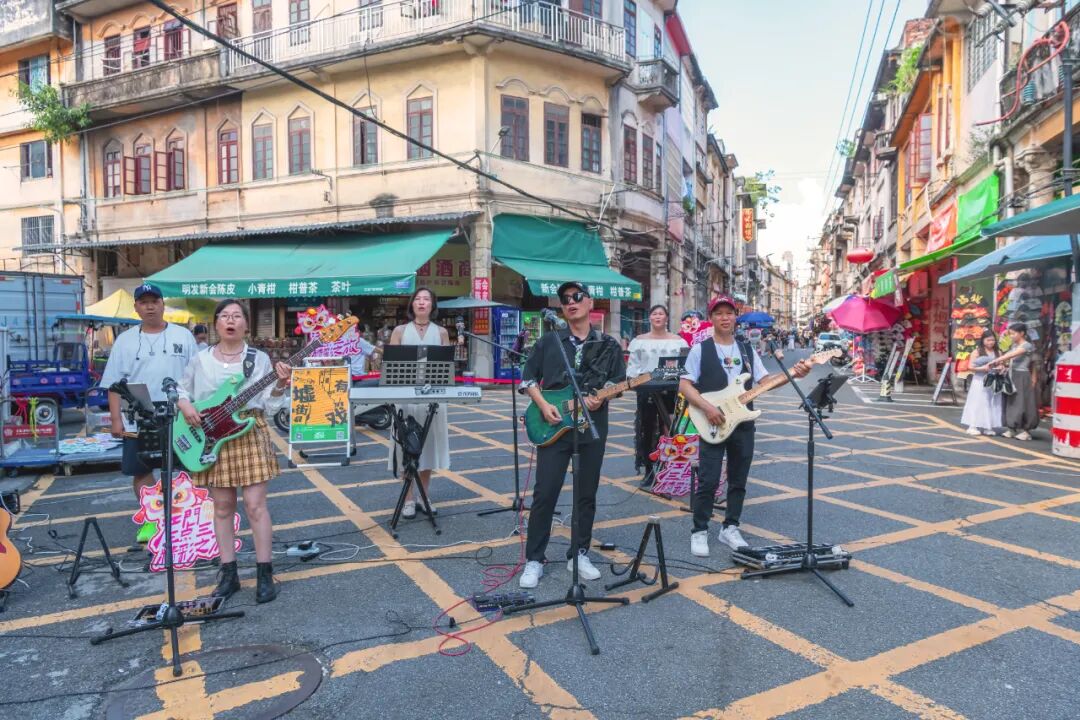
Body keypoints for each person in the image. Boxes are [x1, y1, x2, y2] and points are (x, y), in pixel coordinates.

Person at [176, 300, 291, 604]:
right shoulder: (200, 359)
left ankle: (265, 574)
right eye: (225, 316)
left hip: (249, 431)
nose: (231, 320)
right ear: (216, 323)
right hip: (210, 435)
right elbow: (181, 389)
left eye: (237, 316)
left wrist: (280, 384)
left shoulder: (259, 359)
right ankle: (229, 575)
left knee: (255, 506)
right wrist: (185, 406)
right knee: (223, 507)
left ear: (246, 324)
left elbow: (270, 406)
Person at [678, 295, 810, 557]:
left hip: (742, 423)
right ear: (711, 318)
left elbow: (764, 382)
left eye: (729, 313)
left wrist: (794, 373)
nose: (724, 318)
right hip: (712, 420)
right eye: (719, 313)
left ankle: (730, 527)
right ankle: (700, 530)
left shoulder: (747, 350)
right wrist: (708, 407)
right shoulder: (700, 349)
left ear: (735, 317)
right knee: (708, 480)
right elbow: (684, 385)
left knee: (738, 479)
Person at [518, 282, 626, 589]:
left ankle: (578, 553)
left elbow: (618, 382)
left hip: (591, 427)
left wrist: (602, 397)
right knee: (545, 493)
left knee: (586, 493)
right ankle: (534, 559)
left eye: (577, 297)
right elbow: (528, 379)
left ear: (590, 303)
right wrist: (543, 405)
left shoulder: (608, 345)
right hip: (554, 426)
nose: (571, 302)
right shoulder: (550, 340)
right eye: (565, 299)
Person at [100, 283, 198, 545]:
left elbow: (198, 376)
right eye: (144, 302)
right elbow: (113, 384)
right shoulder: (125, 340)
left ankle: (188, 518)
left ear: (163, 304)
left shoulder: (183, 336)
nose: (150, 307)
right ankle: (152, 519)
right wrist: (116, 420)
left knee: (189, 466)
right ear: (136, 307)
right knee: (141, 469)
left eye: (155, 301)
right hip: (136, 411)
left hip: (179, 411)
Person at [387, 288, 451, 518]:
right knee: (406, 447)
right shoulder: (400, 331)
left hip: (431, 398)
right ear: (412, 304)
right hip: (405, 398)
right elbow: (390, 365)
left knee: (428, 446)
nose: (422, 302)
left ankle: (424, 496)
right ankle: (408, 499)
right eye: (418, 299)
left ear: (432, 305)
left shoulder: (441, 332)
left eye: (426, 299)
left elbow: (446, 367)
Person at [626, 305, 688, 485]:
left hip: (672, 389)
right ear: (650, 318)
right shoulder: (639, 341)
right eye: (654, 313)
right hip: (646, 390)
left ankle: (670, 469)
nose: (658, 316)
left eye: (661, 313)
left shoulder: (678, 341)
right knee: (647, 429)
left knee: (670, 429)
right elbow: (633, 367)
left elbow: (685, 364)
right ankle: (649, 470)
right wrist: (633, 380)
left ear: (667, 318)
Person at [987, 322, 1039, 440]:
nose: (1011, 336)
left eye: (1013, 334)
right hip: (1011, 374)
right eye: (1010, 334)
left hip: (1021, 376)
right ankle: (1012, 428)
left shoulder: (1027, 345)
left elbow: (1011, 355)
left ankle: (1026, 431)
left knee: (1023, 402)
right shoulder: (1014, 345)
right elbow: (1008, 358)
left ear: (1022, 333)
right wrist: (1001, 364)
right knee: (1011, 401)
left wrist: (995, 361)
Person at [960, 330, 1004, 437]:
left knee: (991, 402)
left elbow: (1001, 364)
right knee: (977, 402)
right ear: (983, 340)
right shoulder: (977, 351)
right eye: (988, 340)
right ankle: (972, 426)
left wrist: (1001, 368)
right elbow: (970, 367)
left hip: (993, 380)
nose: (991, 342)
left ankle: (988, 426)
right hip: (979, 380)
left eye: (993, 340)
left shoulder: (998, 352)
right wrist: (982, 368)